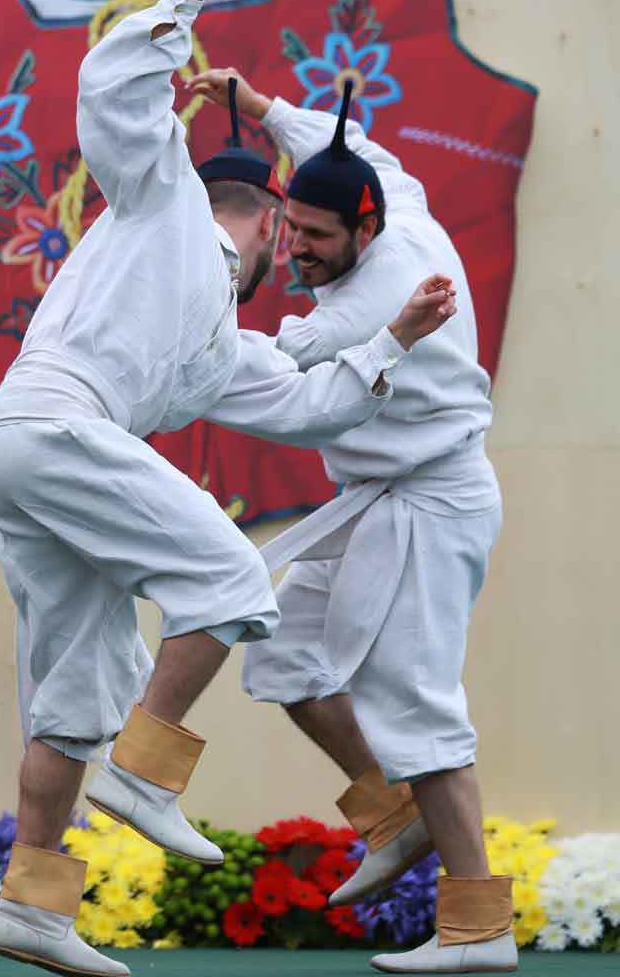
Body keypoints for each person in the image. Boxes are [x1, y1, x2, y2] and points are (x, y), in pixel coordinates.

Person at [0, 0, 460, 977]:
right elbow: (117, 103)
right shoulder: (166, 208)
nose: (293, 260)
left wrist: (390, 342)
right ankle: (147, 772)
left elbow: (312, 401)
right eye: (290, 239)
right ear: (267, 217)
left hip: (33, 457)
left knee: (74, 689)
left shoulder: (216, 346)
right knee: (235, 576)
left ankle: (34, 900)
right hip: (56, 423)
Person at [185, 64, 513, 974]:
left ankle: (481, 927)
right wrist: (255, 106)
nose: (297, 249)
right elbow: (352, 145)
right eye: (291, 228)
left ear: (364, 229)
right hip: (374, 498)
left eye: (318, 237)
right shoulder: (396, 201)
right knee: (289, 663)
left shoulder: (375, 302)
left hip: (432, 506)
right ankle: (395, 816)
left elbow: (276, 373)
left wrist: (165, 335)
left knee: (419, 708)